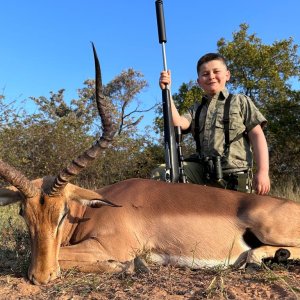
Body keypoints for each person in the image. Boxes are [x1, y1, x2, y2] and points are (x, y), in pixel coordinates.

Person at [152, 53, 270, 195]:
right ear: (199, 81)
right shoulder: (196, 108)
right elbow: (178, 123)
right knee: (162, 173)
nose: (211, 76)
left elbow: (257, 135)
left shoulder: (240, 101)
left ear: (227, 75)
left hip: (235, 174)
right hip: (203, 172)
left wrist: (263, 172)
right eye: (205, 74)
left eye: (216, 71)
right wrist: (167, 91)